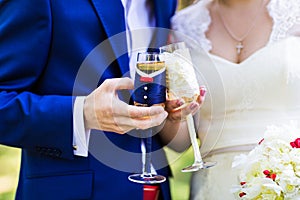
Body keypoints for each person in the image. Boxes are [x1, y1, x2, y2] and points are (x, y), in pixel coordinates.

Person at [0, 0, 206, 199]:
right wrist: (83, 113)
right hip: (72, 191)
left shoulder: (165, 3)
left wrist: (167, 110)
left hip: (155, 188)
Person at [171, 0, 300, 199]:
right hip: (213, 187)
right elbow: (180, 141)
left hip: (290, 182)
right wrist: (174, 116)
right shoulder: (183, 26)